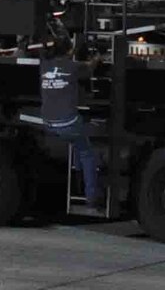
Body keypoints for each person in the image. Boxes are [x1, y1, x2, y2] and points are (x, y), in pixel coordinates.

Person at [39, 32, 102, 209]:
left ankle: (77, 181)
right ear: (69, 51)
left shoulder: (44, 66)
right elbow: (90, 67)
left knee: (76, 144)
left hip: (48, 123)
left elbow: (44, 51)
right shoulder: (74, 67)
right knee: (87, 152)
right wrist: (97, 56)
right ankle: (91, 196)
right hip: (68, 123)